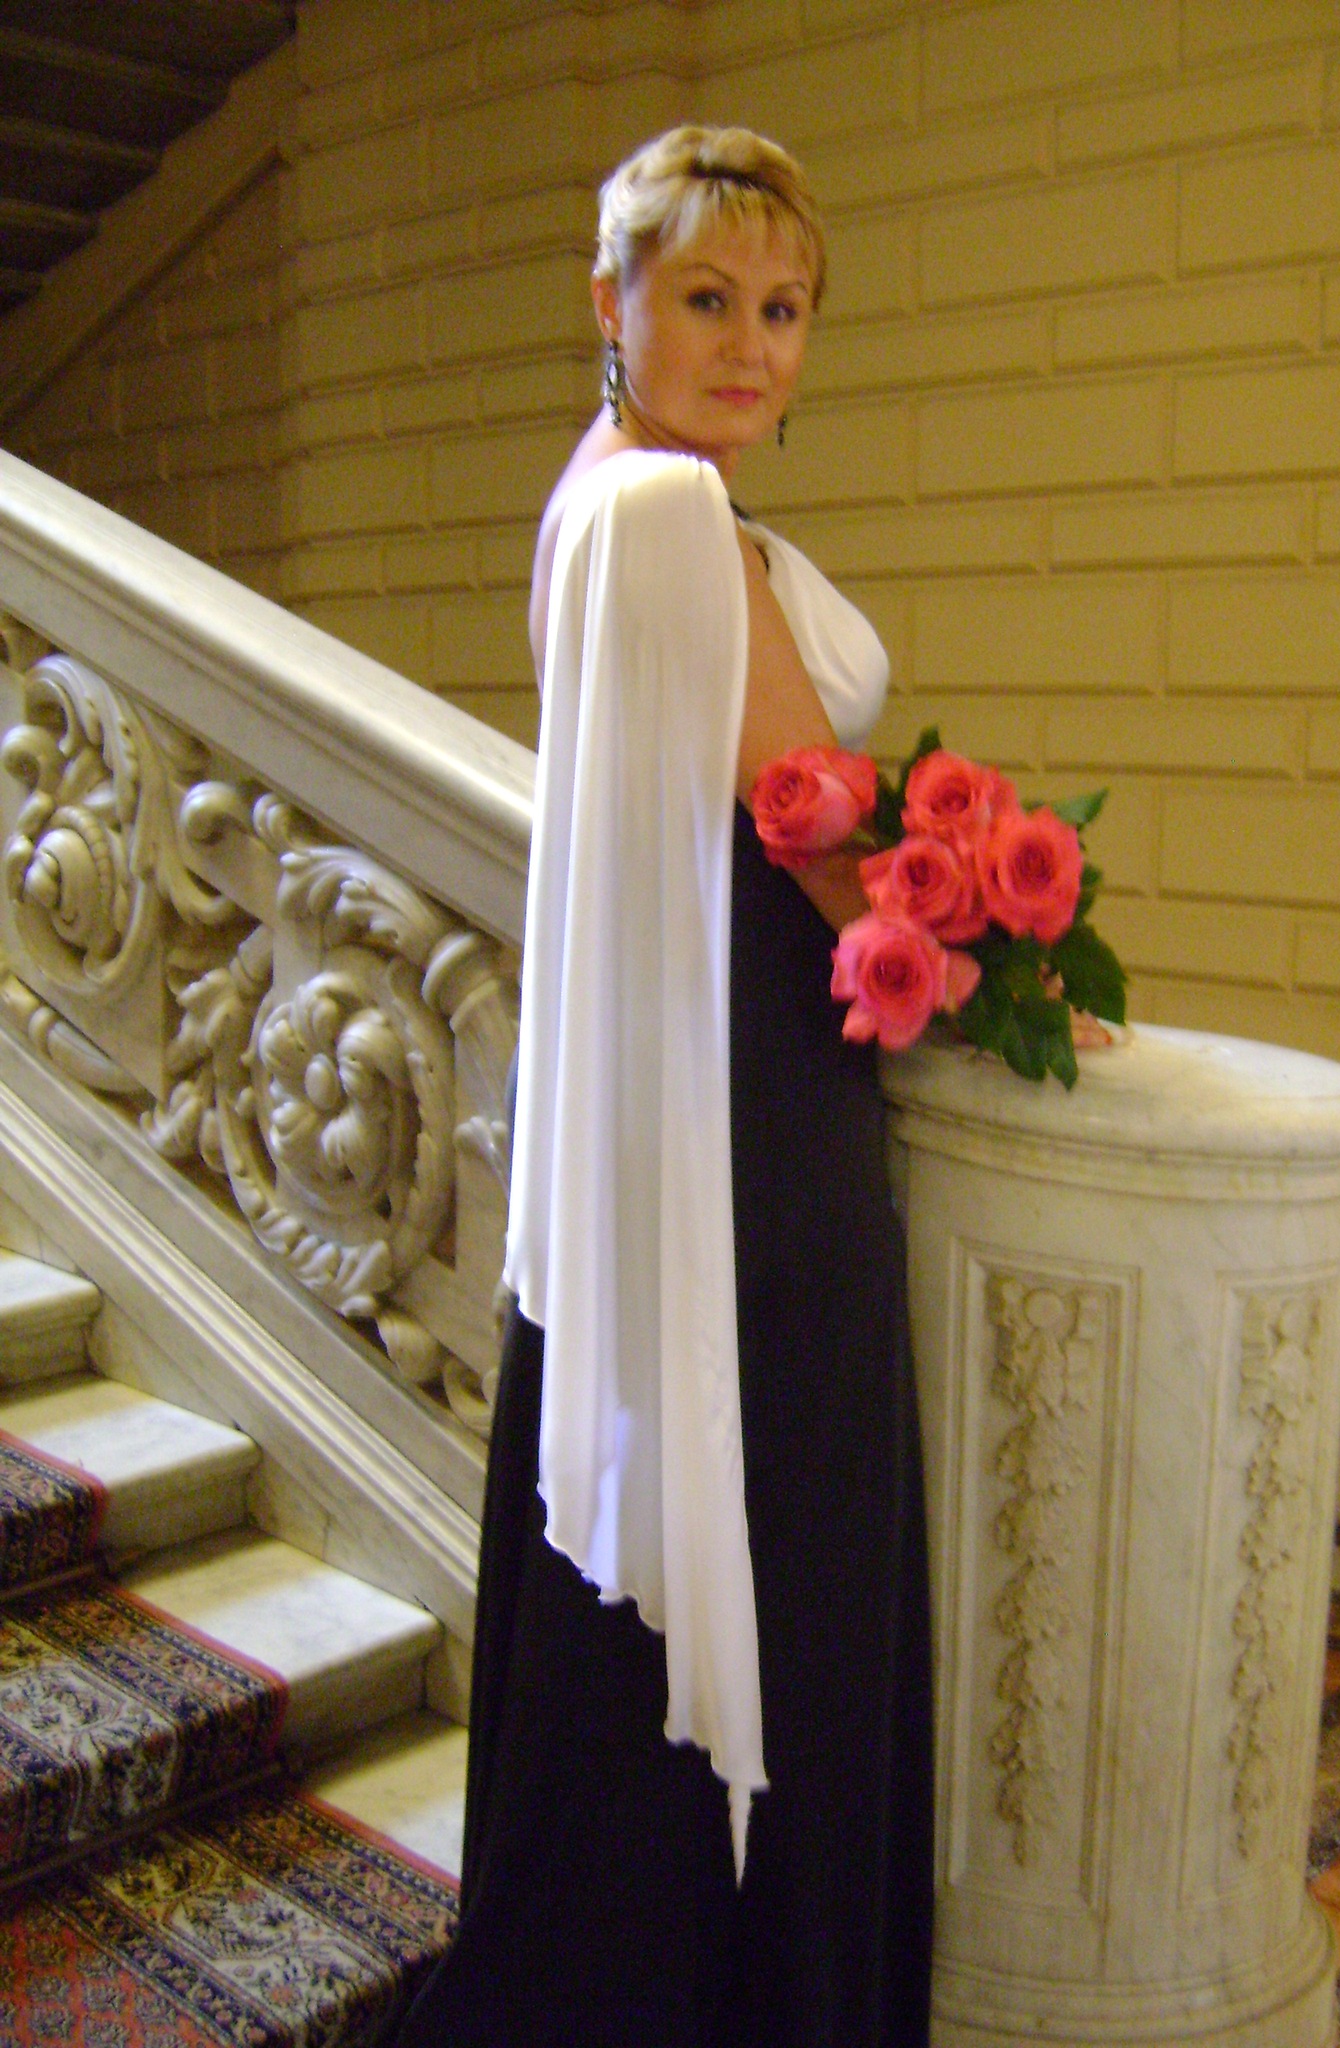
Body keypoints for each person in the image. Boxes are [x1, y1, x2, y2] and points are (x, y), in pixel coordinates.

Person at [395, 125, 933, 2048]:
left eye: (783, 309)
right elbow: (814, 834)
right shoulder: (669, 513)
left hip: (688, 1091)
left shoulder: (595, 495)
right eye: (705, 297)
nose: (751, 344)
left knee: (695, 1560)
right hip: (752, 1105)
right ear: (609, 301)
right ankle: (754, 1997)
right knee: (793, 1553)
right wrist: (1005, 970)